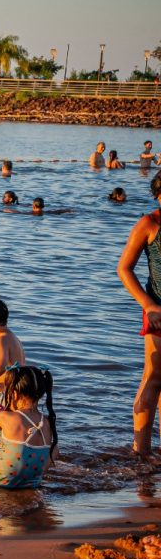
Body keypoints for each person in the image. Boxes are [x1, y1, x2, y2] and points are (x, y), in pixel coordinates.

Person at [116, 171, 161, 459]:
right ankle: (141, 452)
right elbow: (124, 268)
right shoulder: (150, 223)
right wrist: (149, 305)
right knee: (154, 376)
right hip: (158, 308)